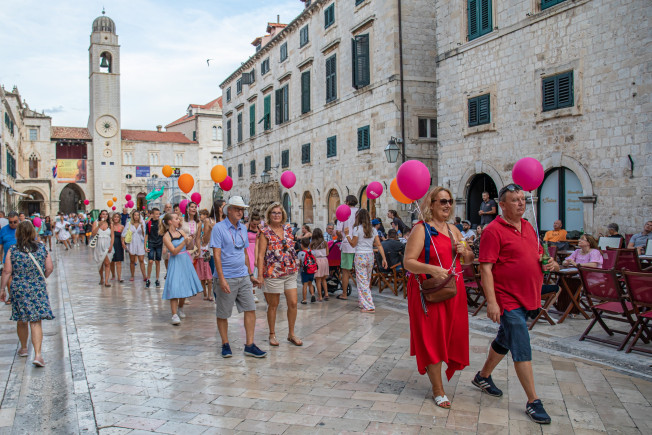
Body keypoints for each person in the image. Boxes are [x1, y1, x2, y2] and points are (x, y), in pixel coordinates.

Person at [474, 183, 554, 424]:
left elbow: (538, 256)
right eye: (515, 200)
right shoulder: (493, 231)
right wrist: (492, 302)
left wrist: (550, 263)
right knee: (520, 342)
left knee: (505, 339)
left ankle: (483, 376)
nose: (521, 203)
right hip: (507, 297)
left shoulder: (529, 226)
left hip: (529, 295)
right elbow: (485, 269)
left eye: (522, 199)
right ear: (502, 205)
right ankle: (533, 401)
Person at [404, 186, 472, 408]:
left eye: (450, 201)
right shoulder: (421, 229)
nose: (447, 205)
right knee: (432, 338)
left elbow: (469, 259)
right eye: (442, 201)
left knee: (451, 336)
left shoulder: (455, 230)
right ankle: (438, 389)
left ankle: (438, 378)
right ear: (431, 204)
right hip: (430, 292)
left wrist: (465, 251)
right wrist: (432, 269)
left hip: (453, 291)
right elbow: (408, 262)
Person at [212, 196, 267, 358]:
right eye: (237, 209)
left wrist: (250, 274)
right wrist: (221, 279)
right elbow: (216, 255)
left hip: (243, 276)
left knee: (250, 309)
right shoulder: (219, 228)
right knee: (223, 313)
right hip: (227, 277)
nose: (240, 212)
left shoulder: (243, 228)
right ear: (229, 210)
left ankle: (249, 345)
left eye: (242, 209)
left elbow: (245, 253)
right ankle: (225, 343)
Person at [0, 221, 54, 367]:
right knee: (36, 321)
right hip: (37, 288)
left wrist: (2, 289)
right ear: (33, 232)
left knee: (21, 319)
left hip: (19, 288)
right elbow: (50, 268)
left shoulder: (13, 250)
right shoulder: (42, 248)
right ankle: (38, 355)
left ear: (18, 233)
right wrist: (40, 277)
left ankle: (24, 348)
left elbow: (7, 271)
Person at [257, 202, 302, 347]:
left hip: (290, 270)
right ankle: (272, 334)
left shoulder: (288, 229)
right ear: (269, 215)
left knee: (293, 303)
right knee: (273, 305)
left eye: (279, 213)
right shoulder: (265, 232)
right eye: (274, 212)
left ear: (283, 215)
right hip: (273, 273)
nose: (276, 215)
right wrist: (260, 276)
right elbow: (260, 255)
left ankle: (291, 334)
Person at [160, 213, 203, 325]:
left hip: (185, 260)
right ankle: (174, 315)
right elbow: (174, 251)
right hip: (175, 261)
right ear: (170, 221)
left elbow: (189, 247)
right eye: (176, 218)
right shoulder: (166, 236)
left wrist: (190, 240)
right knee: (174, 287)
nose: (178, 220)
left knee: (185, 285)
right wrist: (184, 241)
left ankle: (180, 307)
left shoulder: (182, 232)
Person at [343, 208, 388, 313]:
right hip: (370, 256)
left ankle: (369, 306)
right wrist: (384, 258)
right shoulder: (373, 230)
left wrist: (347, 235)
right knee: (366, 280)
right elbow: (379, 245)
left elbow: (353, 244)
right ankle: (362, 301)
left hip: (360, 255)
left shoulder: (357, 229)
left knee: (362, 281)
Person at [335, 195, 359, 300]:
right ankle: (363, 296)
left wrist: (341, 237)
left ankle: (344, 294)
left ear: (347, 202)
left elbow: (338, 230)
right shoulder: (360, 212)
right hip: (359, 244)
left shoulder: (343, 212)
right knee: (361, 271)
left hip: (347, 244)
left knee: (345, 271)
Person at [195, 209, 214, 300]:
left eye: (202, 214)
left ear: (206, 216)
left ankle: (209, 294)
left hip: (207, 251)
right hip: (201, 251)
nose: (200, 216)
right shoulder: (199, 224)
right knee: (202, 277)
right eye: (200, 214)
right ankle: (205, 294)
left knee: (209, 277)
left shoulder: (209, 223)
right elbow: (197, 237)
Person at [92, 210, 114, 287]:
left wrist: (111, 245)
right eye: (103, 214)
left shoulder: (110, 224)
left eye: (106, 214)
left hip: (107, 244)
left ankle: (106, 281)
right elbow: (93, 233)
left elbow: (112, 236)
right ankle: (101, 278)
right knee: (100, 263)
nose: (104, 215)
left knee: (107, 263)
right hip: (99, 244)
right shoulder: (96, 223)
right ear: (100, 215)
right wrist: (99, 226)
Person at [123, 210, 147, 282]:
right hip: (132, 243)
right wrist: (123, 243)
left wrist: (142, 228)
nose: (136, 216)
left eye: (137, 215)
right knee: (132, 260)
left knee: (141, 260)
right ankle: (132, 275)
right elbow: (124, 233)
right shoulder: (129, 223)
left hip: (140, 243)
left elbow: (144, 235)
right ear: (133, 216)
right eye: (135, 215)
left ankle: (144, 275)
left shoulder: (142, 223)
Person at [245, 211, 261, 303]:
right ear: (250, 221)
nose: (255, 226)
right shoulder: (245, 227)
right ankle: (250, 292)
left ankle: (253, 292)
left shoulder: (259, 228)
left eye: (257, 224)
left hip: (256, 249)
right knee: (250, 269)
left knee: (255, 270)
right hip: (247, 249)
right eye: (254, 224)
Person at [145, 208, 163, 288]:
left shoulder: (161, 223)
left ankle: (157, 279)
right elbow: (146, 235)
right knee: (150, 261)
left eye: (159, 214)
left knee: (157, 261)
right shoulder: (149, 223)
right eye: (156, 214)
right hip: (151, 243)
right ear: (152, 214)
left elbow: (163, 234)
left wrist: (164, 246)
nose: (158, 215)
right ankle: (148, 279)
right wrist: (145, 246)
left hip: (159, 244)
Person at [310, 228, 330, 301]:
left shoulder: (312, 244)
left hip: (317, 260)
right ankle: (326, 294)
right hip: (325, 260)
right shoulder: (325, 243)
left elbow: (311, 254)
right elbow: (327, 253)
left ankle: (320, 296)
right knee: (324, 279)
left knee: (318, 280)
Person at [298, 238, 316, 304]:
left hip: (304, 271)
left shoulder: (300, 253)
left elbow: (299, 263)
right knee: (310, 283)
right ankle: (313, 294)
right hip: (312, 270)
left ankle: (304, 299)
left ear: (302, 245)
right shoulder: (312, 252)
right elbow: (315, 260)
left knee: (305, 285)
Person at [109, 212, 125, 282]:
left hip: (119, 244)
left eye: (117, 217)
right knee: (112, 261)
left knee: (118, 261)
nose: (116, 218)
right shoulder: (110, 226)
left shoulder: (122, 227)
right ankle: (113, 275)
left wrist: (123, 243)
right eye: (115, 217)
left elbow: (123, 236)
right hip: (111, 244)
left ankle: (119, 277)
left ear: (119, 218)